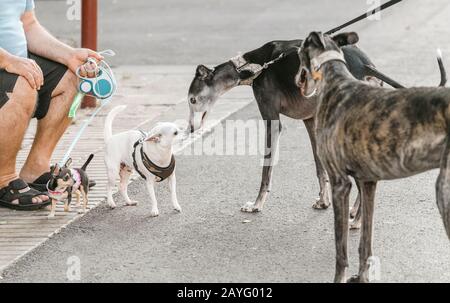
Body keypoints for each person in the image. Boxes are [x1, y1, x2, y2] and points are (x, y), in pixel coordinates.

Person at [0, 0, 102, 210]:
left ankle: (36, 168)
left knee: (72, 76)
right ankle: (4, 179)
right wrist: (8, 61)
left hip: (13, 60)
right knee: (23, 82)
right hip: (5, 62)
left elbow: (28, 24)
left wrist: (69, 55)